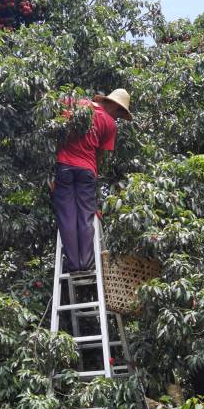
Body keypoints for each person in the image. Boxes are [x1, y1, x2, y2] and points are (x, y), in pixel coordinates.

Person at [52, 88, 132, 273]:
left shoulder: (78, 105)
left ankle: (74, 263)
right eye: (119, 111)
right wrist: (93, 171)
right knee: (85, 216)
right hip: (86, 170)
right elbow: (100, 155)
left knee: (68, 215)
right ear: (111, 103)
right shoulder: (109, 124)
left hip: (64, 165)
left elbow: (58, 128)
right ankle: (85, 263)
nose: (118, 116)